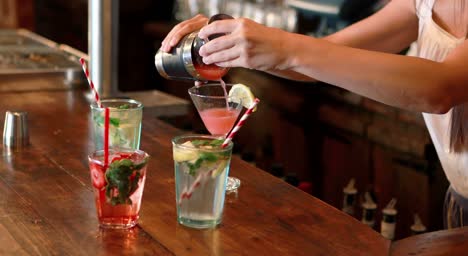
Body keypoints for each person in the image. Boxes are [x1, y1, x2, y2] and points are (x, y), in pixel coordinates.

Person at [161, 0, 468, 229]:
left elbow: (441, 88)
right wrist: (231, 45)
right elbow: (324, 56)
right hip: (458, 204)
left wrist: (283, 46)